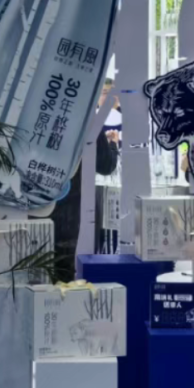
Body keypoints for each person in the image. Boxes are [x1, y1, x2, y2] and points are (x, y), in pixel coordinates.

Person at [51, 85, 121, 280]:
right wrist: (113, 145)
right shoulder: (87, 117)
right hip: (77, 211)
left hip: (41, 208)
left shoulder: (41, 115)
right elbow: (106, 165)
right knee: (74, 277)